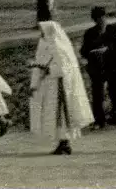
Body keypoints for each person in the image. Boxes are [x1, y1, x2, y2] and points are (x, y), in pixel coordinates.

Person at [29, 21, 94, 155]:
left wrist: (47, 69)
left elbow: (65, 67)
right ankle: (62, 142)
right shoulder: (46, 45)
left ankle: (65, 142)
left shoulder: (59, 46)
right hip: (51, 85)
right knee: (54, 115)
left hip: (60, 86)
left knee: (61, 115)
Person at [79, 6, 114, 129]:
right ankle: (99, 120)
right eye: (99, 18)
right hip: (96, 67)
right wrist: (95, 50)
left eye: (104, 17)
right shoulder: (89, 33)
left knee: (115, 90)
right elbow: (83, 50)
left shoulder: (112, 30)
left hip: (111, 65)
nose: (102, 20)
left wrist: (108, 49)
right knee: (97, 93)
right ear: (95, 20)